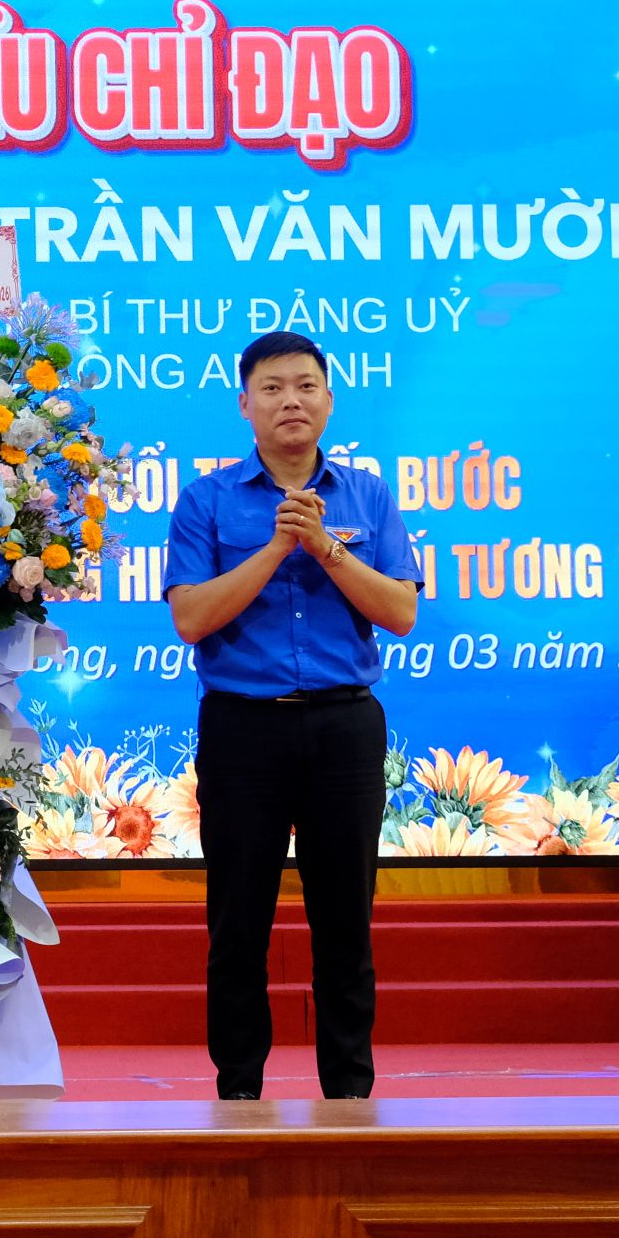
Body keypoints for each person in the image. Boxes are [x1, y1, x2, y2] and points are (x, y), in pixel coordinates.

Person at [166, 331, 423, 1101]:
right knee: (237, 922)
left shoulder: (368, 496)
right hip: (243, 730)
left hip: (345, 728)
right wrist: (280, 547)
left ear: (329, 401)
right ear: (245, 404)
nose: (291, 401)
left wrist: (326, 547)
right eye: (273, 388)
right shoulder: (206, 500)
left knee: (345, 922)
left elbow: (401, 612)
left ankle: (349, 1093)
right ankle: (239, 1091)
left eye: (306, 386)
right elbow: (192, 619)